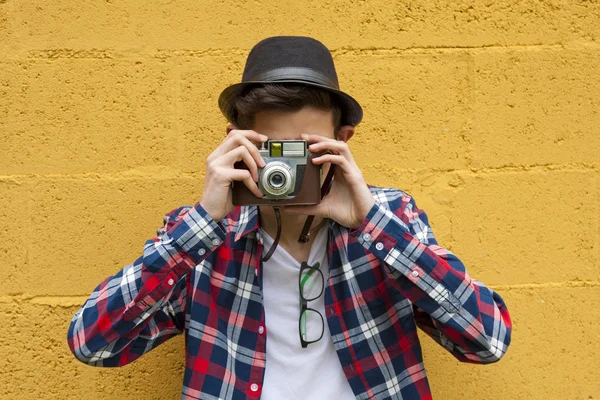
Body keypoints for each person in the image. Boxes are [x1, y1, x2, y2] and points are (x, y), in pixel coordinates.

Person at [67, 36, 512, 400]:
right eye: (273, 150)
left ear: (343, 140)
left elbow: (487, 341)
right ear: (236, 142)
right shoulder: (199, 236)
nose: (288, 168)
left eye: (307, 150)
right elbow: (94, 345)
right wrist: (202, 222)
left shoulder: (388, 217)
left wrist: (372, 224)